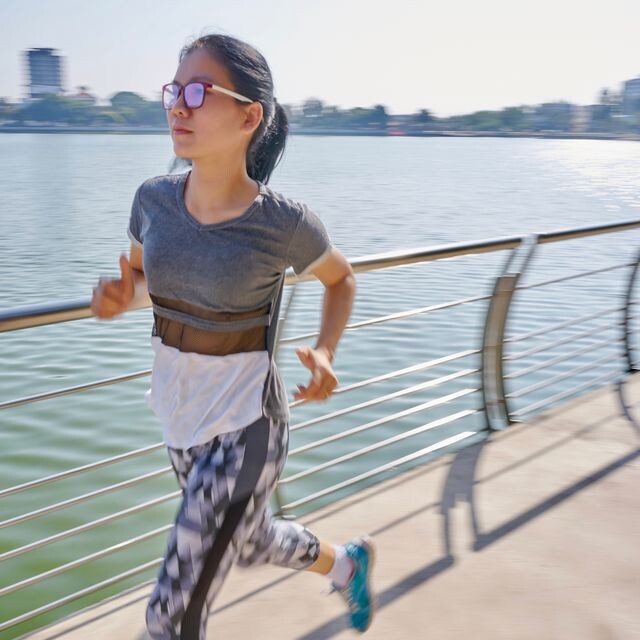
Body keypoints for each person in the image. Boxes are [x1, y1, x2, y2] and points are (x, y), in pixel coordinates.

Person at [90, 32, 376, 639]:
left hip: (248, 427)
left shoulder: (283, 222)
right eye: (174, 91)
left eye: (198, 92)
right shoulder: (152, 202)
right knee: (249, 543)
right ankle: (348, 564)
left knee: (172, 613)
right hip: (181, 416)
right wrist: (123, 296)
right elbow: (143, 278)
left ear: (250, 117)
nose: (178, 106)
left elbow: (341, 278)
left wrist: (326, 351)